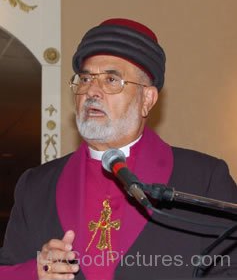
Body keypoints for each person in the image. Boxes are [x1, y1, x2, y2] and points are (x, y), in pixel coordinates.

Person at [0, 18, 237, 280]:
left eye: (111, 80)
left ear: (147, 99)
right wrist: (35, 273)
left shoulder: (203, 179)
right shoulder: (36, 185)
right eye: (86, 78)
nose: (92, 91)